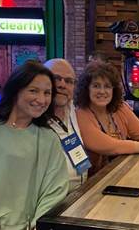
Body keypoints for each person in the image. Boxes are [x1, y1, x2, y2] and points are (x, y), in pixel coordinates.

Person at [0, 60, 69, 229]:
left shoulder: (48, 139)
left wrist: (36, 225)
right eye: (33, 91)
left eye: (47, 93)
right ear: (16, 90)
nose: (41, 99)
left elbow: (55, 191)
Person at [75, 61, 139, 175]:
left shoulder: (120, 108)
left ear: (114, 90)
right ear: (86, 89)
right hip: (93, 183)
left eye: (107, 86)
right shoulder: (81, 113)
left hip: (120, 174)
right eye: (96, 86)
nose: (102, 91)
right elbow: (112, 147)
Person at [44, 58, 91, 192]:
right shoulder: (33, 119)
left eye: (69, 81)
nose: (62, 85)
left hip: (80, 194)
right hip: (53, 206)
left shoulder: (72, 109)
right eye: (56, 78)